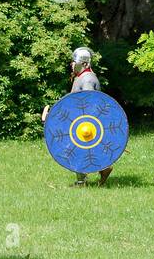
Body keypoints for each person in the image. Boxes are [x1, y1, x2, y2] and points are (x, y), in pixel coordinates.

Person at [41, 46, 113, 186]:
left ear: (84, 64)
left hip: (84, 123)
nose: (72, 64)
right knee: (80, 148)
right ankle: (104, 168)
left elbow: (86, 105)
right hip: (78, 121)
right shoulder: (81, 77)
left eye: (75, 61)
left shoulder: (87, 79)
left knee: (75, 148)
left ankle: (82, 181)